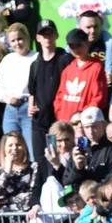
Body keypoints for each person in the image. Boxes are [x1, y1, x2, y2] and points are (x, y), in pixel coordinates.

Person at [27, 19, 73, 158]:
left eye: (50, 33)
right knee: (41, 162)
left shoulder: (65, 59)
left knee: (61, 160)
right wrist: (30, 107)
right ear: (38, 38)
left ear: (56, 35)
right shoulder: (35, 64)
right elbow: (32, 91)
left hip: (59, 122)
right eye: (43, 34)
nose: (47, 37)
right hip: (39, 123)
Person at [0, 23, 37, 156]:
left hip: (28, 109)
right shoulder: (7, 60)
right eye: (13, 40)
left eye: (20, 39)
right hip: (10, 110)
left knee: (31, 150)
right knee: (10, 150)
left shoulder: (36, 58)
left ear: (27, 38)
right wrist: (7, 98)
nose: (17, 43)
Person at [53, 28, 108, 123]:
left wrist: (83, 118)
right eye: (72, 46)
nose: (76, 49)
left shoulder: (96, 68)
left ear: (87, 43)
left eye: (79, 45)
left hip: (84, 124)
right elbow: (59, 97)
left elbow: (99, 98)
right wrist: (61, 116)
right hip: (66, 123)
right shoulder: (68, 69)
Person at [63, 106, 112, 189]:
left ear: (103, 125)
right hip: (79, 199)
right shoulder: (79, 150)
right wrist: (78, 168)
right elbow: (66, 182)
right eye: (86, 127)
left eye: (94, 127)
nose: (90, 131)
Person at [0, 132, 38, 215]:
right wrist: (7, 171)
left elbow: (33, 193)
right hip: (6, 221)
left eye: (18, 145)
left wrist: (7, 200)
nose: (14, 148)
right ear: (4, 149)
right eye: (10, 145)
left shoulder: (34, 167)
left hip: (30, 218)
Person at [79, 11, 112, 87]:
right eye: (88, 27)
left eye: (95, 26)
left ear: (101, 26)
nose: (92, 31)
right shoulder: (75, 51)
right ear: (80, 28)